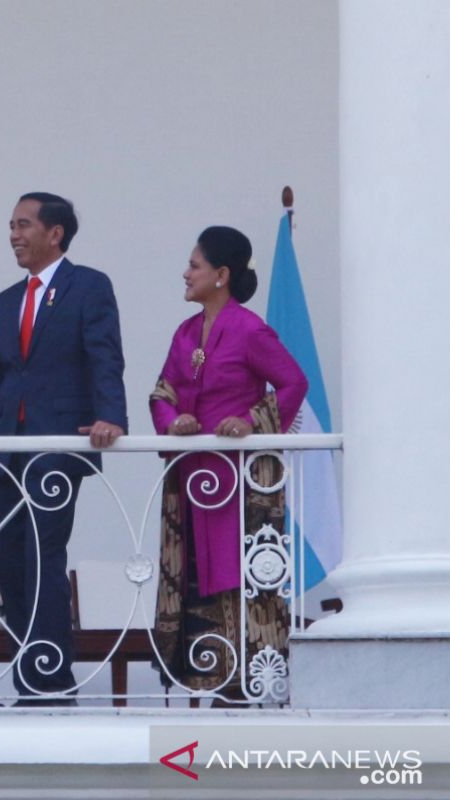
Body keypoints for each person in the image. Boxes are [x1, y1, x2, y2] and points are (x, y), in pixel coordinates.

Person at [0, 192, 127, 704]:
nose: (13, 234)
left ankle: (51, 682)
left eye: (23, 224)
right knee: (10, 563)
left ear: (55, 232)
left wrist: (111, 416)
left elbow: (105, 356)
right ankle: (28, 678)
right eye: (10, 225)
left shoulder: (87, 286)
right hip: (7, 451)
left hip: (56, 446)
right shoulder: (6, 299)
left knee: (44, 559)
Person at [149, 225, 308, 702]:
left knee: (240, 575)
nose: (185, 272)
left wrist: (250, 420)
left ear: (221, 275)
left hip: (240, 481)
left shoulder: (249, 329)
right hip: (192, 473)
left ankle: (245, 682)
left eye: (194, 265)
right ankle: (202, 677)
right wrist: (174, 420)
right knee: (194, 571)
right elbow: (162, 392)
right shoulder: (184, 332)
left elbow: (293, 384)